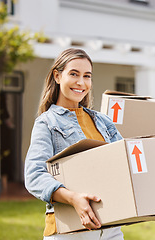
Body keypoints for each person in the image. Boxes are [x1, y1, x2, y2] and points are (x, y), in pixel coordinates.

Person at [24, 48, 124, 240]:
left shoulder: (103, 122)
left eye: (87, 76)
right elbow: (34, 175)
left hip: (111, 229)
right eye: (74, 74)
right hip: (68, 230)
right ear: (57, 76)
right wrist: (73, 199)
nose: (81, 82)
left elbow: (124, 163)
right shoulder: (47, 122)